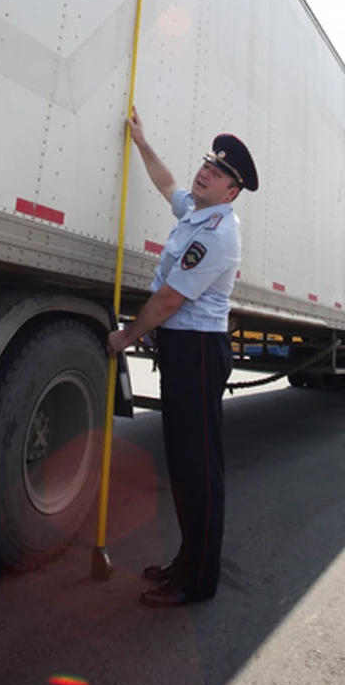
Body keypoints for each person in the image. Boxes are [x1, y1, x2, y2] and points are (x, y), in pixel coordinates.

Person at [107, 107, 259, 608]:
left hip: (196, 351)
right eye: (207, 164)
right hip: (183, 349)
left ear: (232, 192)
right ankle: (187, 560)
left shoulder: (216, 233)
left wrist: (126, 336)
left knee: (198, 470)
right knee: (184, 464)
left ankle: (198, 580)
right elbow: (167, 182)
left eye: (218, 173)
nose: (205, 172)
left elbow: (170, 300)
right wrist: (142, 142)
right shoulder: (197, 212)